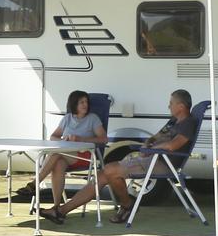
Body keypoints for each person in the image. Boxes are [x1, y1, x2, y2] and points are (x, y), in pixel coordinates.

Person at [38, 89, 198, 225]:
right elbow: (155, 137)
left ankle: (127, 205)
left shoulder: (187, 123)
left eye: (171, 103)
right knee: (103, 175)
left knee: (109, 170)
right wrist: (148, 143)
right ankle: (61, 211)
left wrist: (151, 149)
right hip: (152, 158)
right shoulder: (173, 121)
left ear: (181, 106)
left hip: (162, 163)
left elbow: (172, 146)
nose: (168, 105)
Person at [17, 90, 107, 210]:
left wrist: (81, 139)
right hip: (66, 155)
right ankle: (56, 207)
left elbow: (103, 139)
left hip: (85, 156)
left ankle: (34, 183)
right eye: (82, 102)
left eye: (86, 102)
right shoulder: (67, 118)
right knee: (58, 164)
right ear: (74, 104)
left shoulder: (93, 118)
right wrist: (63, 139)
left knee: (56, 154)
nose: (85, 105)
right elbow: (53, 137)